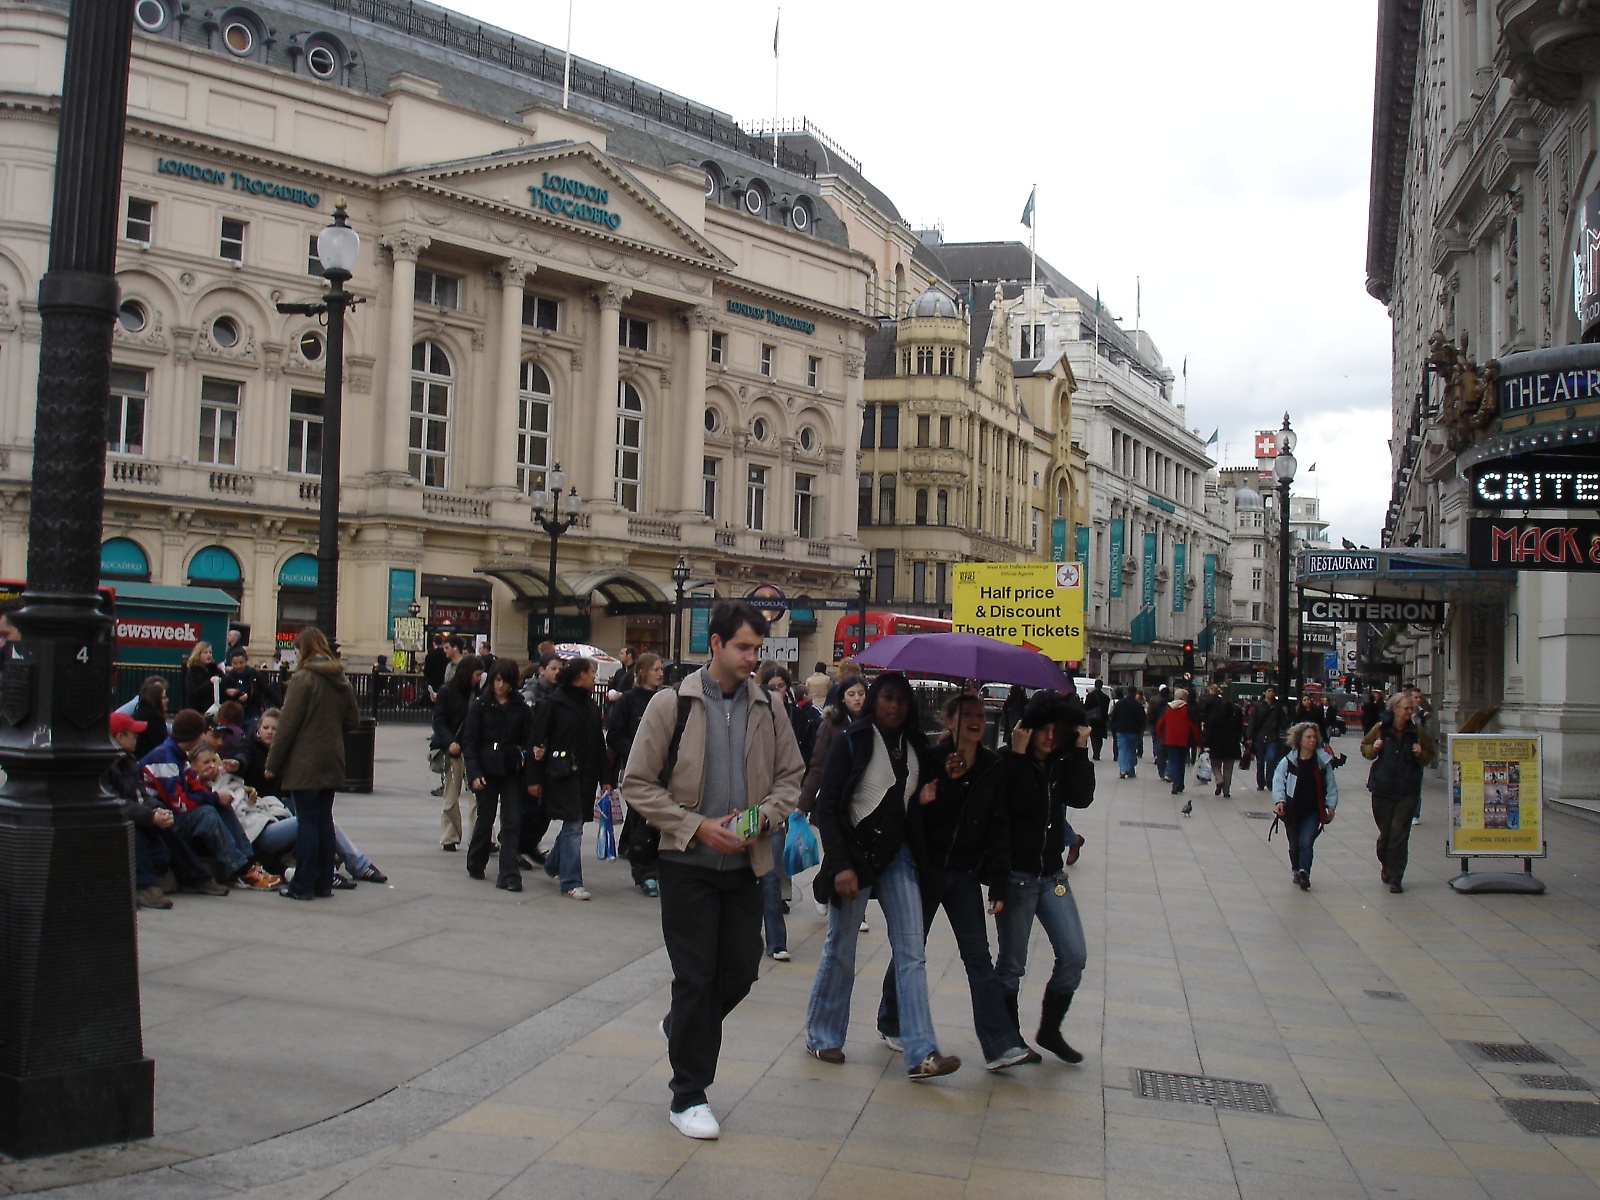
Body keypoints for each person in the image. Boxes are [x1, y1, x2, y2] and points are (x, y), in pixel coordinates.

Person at [622, 600, 804, 1140]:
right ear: (716, 645)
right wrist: (695, 826)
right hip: (687, 864)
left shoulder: (770, 708)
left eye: (758, 648)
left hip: (746, 865)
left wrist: (763, 819)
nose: (754, 657)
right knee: (696, 977)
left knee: (741, 972)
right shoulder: (670, 705)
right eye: (744, 647)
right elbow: (637, 783)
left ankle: (681, 1028)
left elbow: (790, 777)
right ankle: (689, 1094)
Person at [806, 671, 962, 1082]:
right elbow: (829, 808)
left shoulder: (915, 747)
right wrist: (839, 865)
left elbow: (930, 791)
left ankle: (921, 1051)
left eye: (902, 700)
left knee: (912, 951)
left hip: (899, 858)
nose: (895, 706)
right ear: (874, 702)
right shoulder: (852, 742)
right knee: (841, 947)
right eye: (887, 698)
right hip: (855, 858)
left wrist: (940, 783)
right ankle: (822, 1034)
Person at [877, 693, 1033, 1071]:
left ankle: (999, 1044)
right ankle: (891, 1020)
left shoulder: (993, 767)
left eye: (980, 715)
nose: (976, 721)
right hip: (927, 868)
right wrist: (946, 783)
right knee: (911, 949)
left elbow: (999, 826)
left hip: (964, 874)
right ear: (949, 722)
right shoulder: (931, 758)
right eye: (967, 715)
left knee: (978, 956)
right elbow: (914, 812)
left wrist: (997, 884)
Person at [995, 692, 1095, 1064]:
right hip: (1018, 877)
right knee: (1012, 964)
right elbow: (1021, 804)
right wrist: (1020, 756)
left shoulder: (1061, 764)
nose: (1050, 737)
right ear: (1029, 729)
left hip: (1052, 875)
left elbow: (1082, 797)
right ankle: (1008, 1037)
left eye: (1059, 731)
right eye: (1044, 730)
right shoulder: (1007, 761)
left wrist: (1081, 748)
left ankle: (1050, 1029)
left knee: (1074, 955)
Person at [265, 627, 360, 901]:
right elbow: (353, 719)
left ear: (304, 650)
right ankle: (323, 882)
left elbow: (287, 725)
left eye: (296, 651)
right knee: (323, 820)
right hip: (331, 758)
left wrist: (273, 763)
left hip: (305, 760)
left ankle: (302, 884)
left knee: (306, 822)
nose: (294, 657)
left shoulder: (304, 679)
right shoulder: (339, 678)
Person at [140, 708, 281, 891]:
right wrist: (212, 798)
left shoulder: (178, 755)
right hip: (161, 820)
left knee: (221, 805)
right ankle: (240, 868)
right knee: (207, 814)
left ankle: (251, 862)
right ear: (194, 735)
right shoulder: (165, 758)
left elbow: (194, 787)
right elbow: (180, 803)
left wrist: (215, 798)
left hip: (172, 814)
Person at [104, 712, 227, 906]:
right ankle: (145, 887)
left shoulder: (128, 761)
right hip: (116, 821)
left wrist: (156, 811)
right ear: (120, 737)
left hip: (135, 813)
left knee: (164, 825)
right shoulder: (105, 765)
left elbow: (141, 794)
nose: (137, 737)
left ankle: (196, 877)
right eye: (133, 734)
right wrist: (149, 815)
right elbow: (112, 803)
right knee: (132, 828)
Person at [530, 656, 606, 900]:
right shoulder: (553, 704)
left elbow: (598, 744)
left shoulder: (591, 706)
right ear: (580, 675)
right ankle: (571, 881)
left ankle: (553, 864)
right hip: (561, 773)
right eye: (592, 672)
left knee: (576, 823)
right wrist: (533, 778)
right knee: (573, 824)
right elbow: (536, 741)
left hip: (587, 774)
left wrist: (606, 778)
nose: (595, 677)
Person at [464, 658, 535, 892]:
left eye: (505, 682)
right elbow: (470, 742)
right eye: (497, 681)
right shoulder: (480, 706)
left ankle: (509, 873)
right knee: (485, 819)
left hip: (511, 769)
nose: (500, 686)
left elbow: (528, 739)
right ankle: (476, 861)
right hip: (486, 769)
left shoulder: (521, 709)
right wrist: (474, 772)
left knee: (512, 821)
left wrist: (524, 756)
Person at [1360, 693, 1435, 893]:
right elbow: (1365, 747)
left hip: (1407, 788)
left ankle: (1396, 876)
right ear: (1395, 709)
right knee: (1386, 835)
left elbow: (1430, 753)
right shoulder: (1381, 729)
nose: (1410, 712)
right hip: (1382, 787)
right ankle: (1386, 865)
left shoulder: (1416, 731)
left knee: (1399, 835)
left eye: (1412, 709)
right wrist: (1374, 749)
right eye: (1407, 708)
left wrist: (1421, 754)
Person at [607, 652, 666, 896]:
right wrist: (633, 752)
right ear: (642, 672)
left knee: (659, 821)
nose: (660, 673)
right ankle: (644, 870)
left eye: (661, 669)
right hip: (638, 769)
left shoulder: (666, 699)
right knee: (641, 819)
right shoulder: (629, 701)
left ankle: (653, 865)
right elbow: (614, 734)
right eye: (655, 669)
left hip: (663, 769)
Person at [1272, 721, 1339, 890]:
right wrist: (1280, 800)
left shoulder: (1322, 762)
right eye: (1308, 737)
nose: (1312, 740)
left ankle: (1304, 872)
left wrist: (1330, 805)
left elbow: (1331, 785)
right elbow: (1279, 781)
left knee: (1306, 842)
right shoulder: (1289, 761)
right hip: (1292, 809)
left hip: (1312, 809)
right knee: (1294, 845)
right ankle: (1296, 868)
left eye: (1314, 737)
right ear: (1299, 740)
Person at [431, 654, 484, 852]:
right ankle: (450, 836)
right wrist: (449, 742)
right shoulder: (447, 691)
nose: (479, 679)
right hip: (454, 750)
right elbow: (439, 720)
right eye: (477, 675)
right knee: (451, 796)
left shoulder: (479, 695)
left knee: (477, 798)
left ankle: (480, 836)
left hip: (473, 750)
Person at [800, 671, 866, 812]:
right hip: (837, 798)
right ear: (843, 697)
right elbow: (818, 765)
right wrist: (803, 803)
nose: (857, 699)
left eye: (861, 694)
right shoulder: (831, 725)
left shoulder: (872, 724)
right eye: (851, 694)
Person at [1155, 688, 1202, 804]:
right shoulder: (1188, 709)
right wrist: (1198, 741)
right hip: (1184, 740)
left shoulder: (1168, 708)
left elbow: (1160, 723)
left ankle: (1176, 783)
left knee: (1173, 761)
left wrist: (1159, 735)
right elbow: (1193, 726)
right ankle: (1179, 783)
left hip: (1170, 739)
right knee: (1181, 762)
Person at [1203, 691, 1245, 798]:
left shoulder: (1215, 719)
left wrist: (1206, 745)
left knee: (1215, 765)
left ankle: (1219, 779)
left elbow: (1209, 733)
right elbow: (1240, 731)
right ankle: (1226, 791)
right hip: (1232, 747)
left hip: (1217, 746)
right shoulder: (1235, 720)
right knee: (1228, 769)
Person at [1247, 686, 1289, 791]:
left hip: (1273, 736)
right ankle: (1260, 783)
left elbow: (1283, 721)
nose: (1271, 693)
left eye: (1272, 691)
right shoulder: (1257, 706)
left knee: (1271, 759)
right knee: (1260, 760)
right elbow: (1252, 721)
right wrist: (1250, 736)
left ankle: (1269, 781)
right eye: (1269, 691)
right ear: (1264, 693)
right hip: (1259, 736)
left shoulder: (1277, 706)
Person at [219, 646, 264, 722]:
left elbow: (265, 691)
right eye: (235, 663)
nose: (238, 666)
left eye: (241, 663)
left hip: (251, 713)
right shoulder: (228, 678)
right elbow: (221, 696)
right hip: (234, 715)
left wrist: (249, 696)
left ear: (246, 662)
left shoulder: (255, 675)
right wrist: (227, 692)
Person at [130, 676, 170, 760]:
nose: (167, 700)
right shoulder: (155, 718)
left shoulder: (138, 713)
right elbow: (162, 746)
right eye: (163, 698)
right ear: (155, 699)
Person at [1109, 687, 1145, 779]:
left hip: (1121, 730)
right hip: (1134, 731)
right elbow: (1142, 720)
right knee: (1132, 751)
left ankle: (1123, 769)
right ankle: (1131, 769)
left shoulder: (1119, 704)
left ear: (1127, 692)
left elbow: (1114, 717)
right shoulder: (1138, 705)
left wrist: (1114, 728)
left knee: (1122, 750)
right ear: (1135, 693)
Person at [184, 641, 222, 713]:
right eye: (205, 652)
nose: (209, 655)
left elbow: (226, 682)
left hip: (214, 710)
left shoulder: (215, 669)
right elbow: (193, 693)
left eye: (210, 652)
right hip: (198, 710)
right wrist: (210, 683)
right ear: (198, 654)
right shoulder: (193, 671)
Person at [1082, 680, 1110, 761]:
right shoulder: (1106, 698)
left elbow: (1086, 707)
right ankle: (1098, 751)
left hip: (1093, 718)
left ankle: (1095, 752)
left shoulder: (1090, 696)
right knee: (1100, 736)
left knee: (1093, 736)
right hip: (1102, 719)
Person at [1147, 687, 1170, 780]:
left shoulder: (1155, 703)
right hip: (1169, 730)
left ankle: (1161, 771)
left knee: (1159, 749)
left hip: (1157, 729)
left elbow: (1150, 715)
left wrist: (1151, 726)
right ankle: (1168, 772)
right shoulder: (1172, 705)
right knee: (1170, 753)